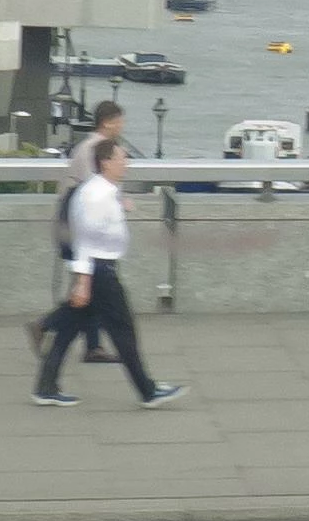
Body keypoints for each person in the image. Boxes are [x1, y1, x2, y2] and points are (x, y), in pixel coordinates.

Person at [33, 139, 189, 409]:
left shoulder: (101, 189)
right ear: (106, 162)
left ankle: (45, 387)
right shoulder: (97, 195)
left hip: (97, 270)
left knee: (68, 329)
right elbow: (85, 239)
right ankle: (147, 391)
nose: (125, 162)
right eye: (121, 158)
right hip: (100, 272)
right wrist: (83, 281)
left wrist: (121, 206)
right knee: (123, 331)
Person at [27, 104, 126, 365]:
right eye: (119, 122)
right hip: (79, 226)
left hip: (73, 221)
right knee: (88, 285)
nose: (122, 127)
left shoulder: (90, 146)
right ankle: (46, 325)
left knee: (89, 287)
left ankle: (92, 347)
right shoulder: (97, 149)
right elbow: (94, 192)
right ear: (107, 122)